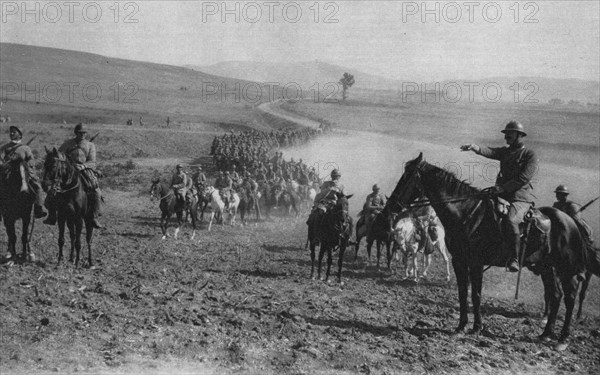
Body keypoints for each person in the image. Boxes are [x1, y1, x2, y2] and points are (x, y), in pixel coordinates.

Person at [461, 120, 538, 272]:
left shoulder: (529, 154)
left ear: (520, 135)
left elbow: (523, 178)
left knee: (510, 220)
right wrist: (474, 147)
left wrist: (502, 188)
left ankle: (515, 258)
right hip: (501, 195)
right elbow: (491, 152)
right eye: (506, 133)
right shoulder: (506, 152)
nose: (506, 136)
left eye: (510, 133)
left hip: (519, 198)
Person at [46, 123, 102, 228]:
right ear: (76, 133)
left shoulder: (90, 145)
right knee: (52, 190)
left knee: (97, 192)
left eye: (84, 133)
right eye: (80, 132)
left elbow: (92, 161)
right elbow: (58, 155)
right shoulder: (68, 143)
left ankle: (94, 216)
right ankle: (52, 215)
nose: (82, 134)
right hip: (68, 170)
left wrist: (83, 166)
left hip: (85, 170)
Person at [0, 126, 47, 219]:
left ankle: (39, 208)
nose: (11, 134)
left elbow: (31, 160)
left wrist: (25, 162)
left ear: (19, 135)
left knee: (38, 187)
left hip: (24, 171)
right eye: (11, 132)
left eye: (14, 132)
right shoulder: (4, 147)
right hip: (7, 171)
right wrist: (4, 163)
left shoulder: (25, 148)